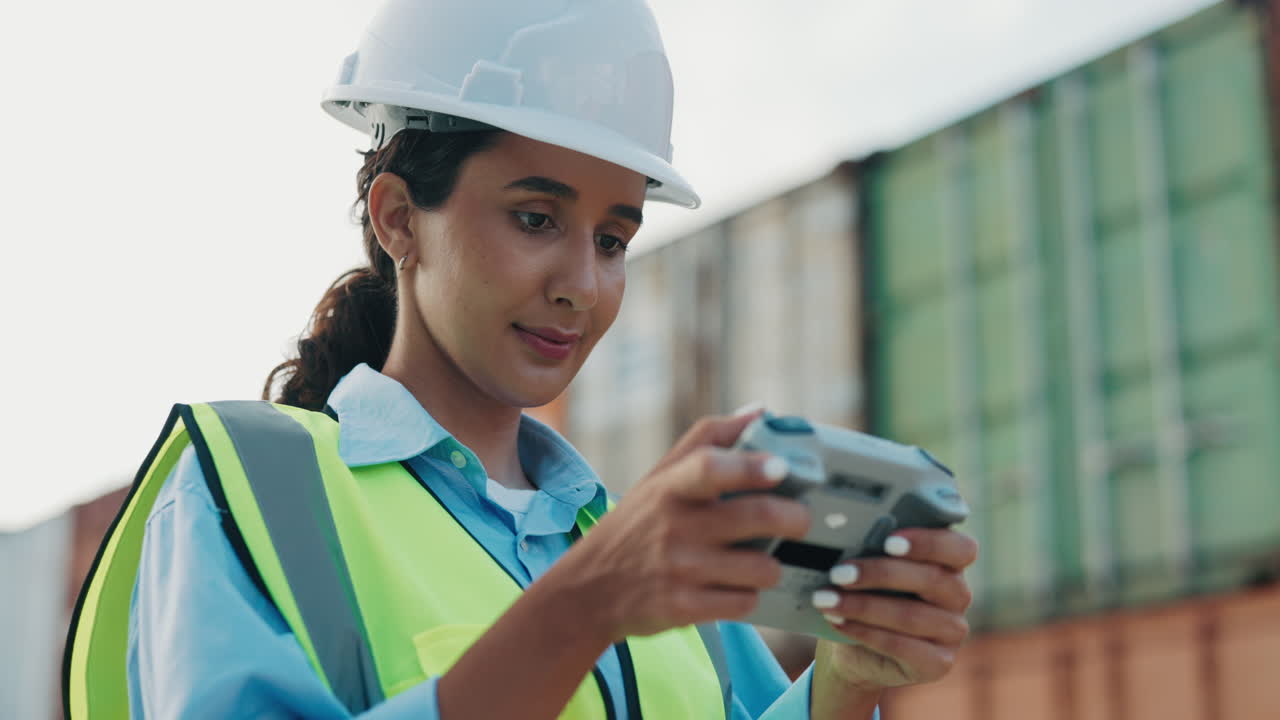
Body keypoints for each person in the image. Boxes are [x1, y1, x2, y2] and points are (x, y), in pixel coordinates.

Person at [63, 1, 978, 718]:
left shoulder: (628, 547)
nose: (582, 283)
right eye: (537, 218)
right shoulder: (244, 490)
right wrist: (582, 610)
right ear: (397, 218)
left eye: (615, 238)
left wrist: (847, 682)